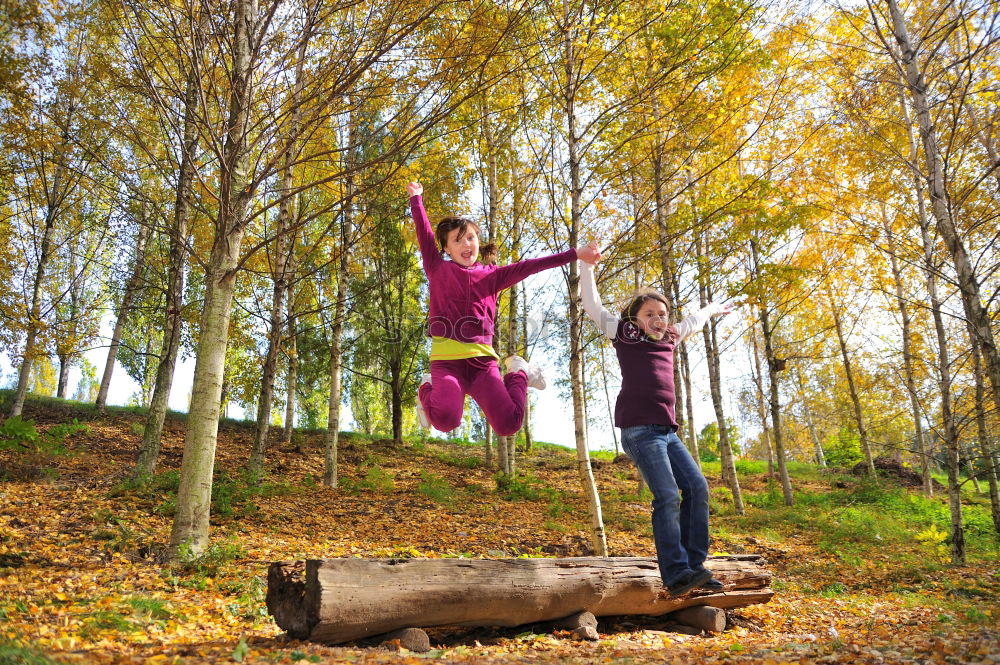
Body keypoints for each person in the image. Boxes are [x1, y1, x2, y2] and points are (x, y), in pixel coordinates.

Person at [579, 253, 732, 597]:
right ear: (635, 318)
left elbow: (694, 321)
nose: (658, 319)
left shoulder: (670, 338)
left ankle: (694, 567)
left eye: (662, 314)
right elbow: (592, 304)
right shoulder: (625, 335)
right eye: (650, 314)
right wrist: (587, 266)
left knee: (697, 488)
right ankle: (675, 573)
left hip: (667, 431)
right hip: (639, 430)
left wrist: (712, 308)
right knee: (666, 495)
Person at [407, 181, 600, 436]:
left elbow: (533, 265)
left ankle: (519, 371)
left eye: (471, 238)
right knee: (445, 420)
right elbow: (424, 234)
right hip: (447, 363)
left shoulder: (492, 276)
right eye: (458, 240)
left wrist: (576, 254)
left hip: (482, 364)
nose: (467, 245)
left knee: (509, 424)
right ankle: (426, 388)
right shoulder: (437, 268)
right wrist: (416, 199)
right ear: (445, 248)